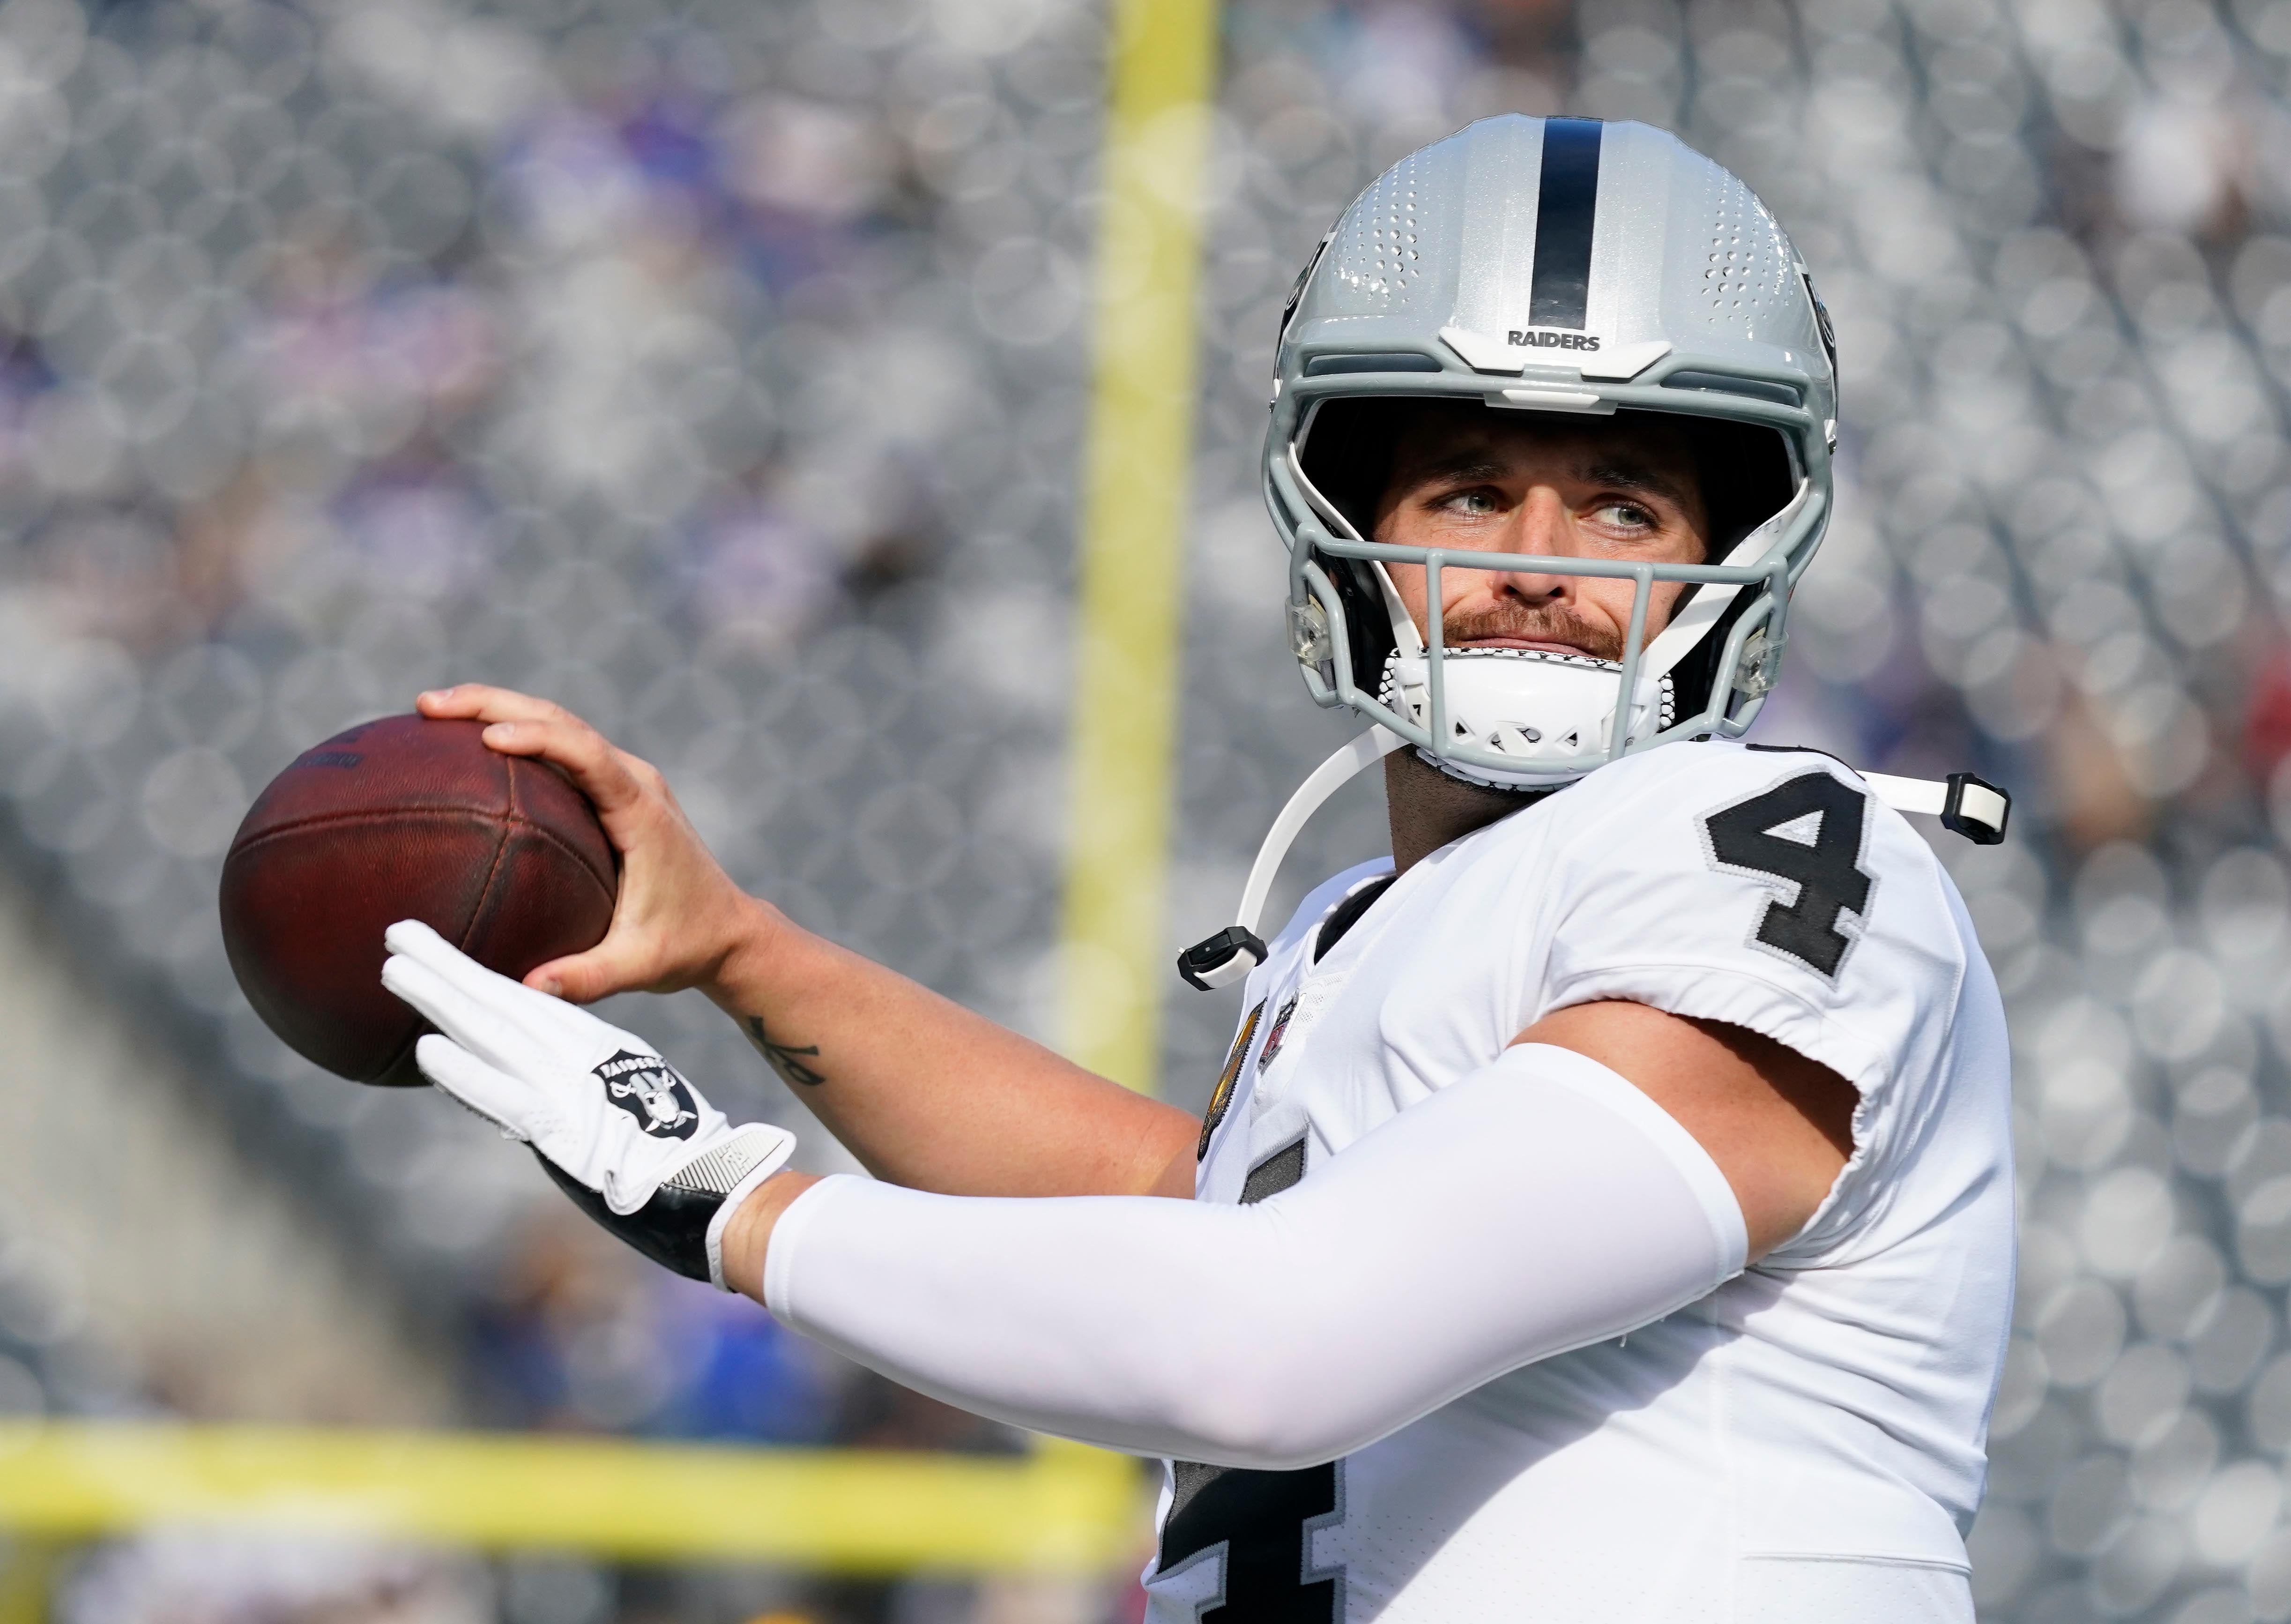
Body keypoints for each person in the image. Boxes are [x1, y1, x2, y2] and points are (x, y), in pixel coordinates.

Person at [382, 117, 2016, 1622]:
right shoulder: (1361, 921)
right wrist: (739, 948)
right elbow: (1194, 1217)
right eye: (1467, 491)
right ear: (1342, 520)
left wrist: (732, 1205)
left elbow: (1271, 1336)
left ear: (1727, 554)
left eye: (1619, 505)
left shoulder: (1774, 851)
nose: (1533, 566)